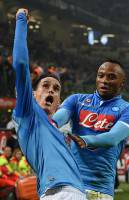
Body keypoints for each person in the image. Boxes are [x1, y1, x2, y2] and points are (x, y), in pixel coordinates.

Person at [12, 9, 86, 199]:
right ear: (33, 94)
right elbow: (20, 64)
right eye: (45, 86)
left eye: (56, 88)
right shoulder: (29, 115)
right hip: (57, 193)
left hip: (76, 192)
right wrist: (21, 20)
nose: (51, 90)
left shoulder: (60, 131)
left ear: (59, 102)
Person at [52, 59, 129, 200]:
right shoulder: (76, 100)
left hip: (98, 190)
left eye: (111, 77)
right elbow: (56, 121)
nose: (104, 80)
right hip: (68, 184)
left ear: (122, 83)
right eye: (101, 75)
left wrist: (84, 140)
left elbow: (112, 138)